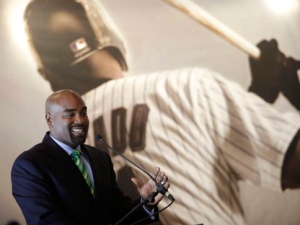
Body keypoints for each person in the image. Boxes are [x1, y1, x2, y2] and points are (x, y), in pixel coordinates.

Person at [21, 0, 300, 224]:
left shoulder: (53, 156)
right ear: (103, 35)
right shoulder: (186, 87)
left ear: (47, 69)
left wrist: (257, 95)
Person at [11, 89, 170, 225]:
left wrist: (146, 202)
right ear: (49, 119)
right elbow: (46, 221)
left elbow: (116, 212)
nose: (80, 120)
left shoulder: (99, 158)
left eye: (83, 113)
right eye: (70, 114)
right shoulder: (29, 164)